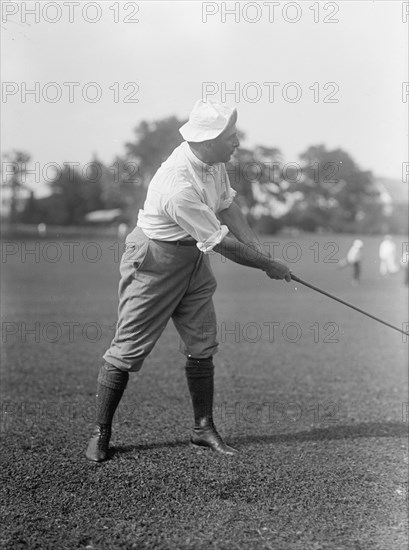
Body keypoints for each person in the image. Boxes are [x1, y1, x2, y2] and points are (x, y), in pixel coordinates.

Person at [85, 99, 291, 462]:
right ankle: (101, 432)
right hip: (154, 259)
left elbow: (227, 206)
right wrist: (266, 265)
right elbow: (220, 243)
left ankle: (202, 428)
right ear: (209, 139)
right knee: (128, 348)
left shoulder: (214, 163)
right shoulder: (177, 185)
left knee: (202, 342)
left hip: (192, 258)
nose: (237, 142)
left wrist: (260, 251)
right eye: (231, 137)